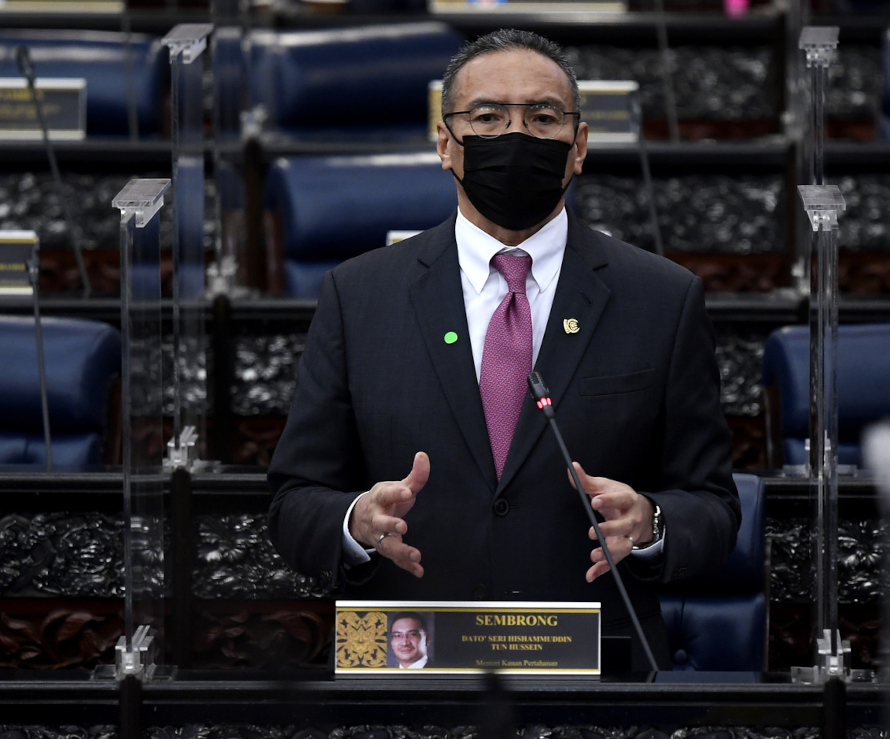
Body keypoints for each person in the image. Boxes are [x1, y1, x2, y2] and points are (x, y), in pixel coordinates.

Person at [267, 28, 741, 670]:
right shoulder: (358, 295)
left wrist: (653, 523)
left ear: (578, 148)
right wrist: (355, 522)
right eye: (487, 116)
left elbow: (713, 507)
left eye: (543, 117)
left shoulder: (662, 297)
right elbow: (294, 501)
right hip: (406, 667)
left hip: (594, 673)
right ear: (445, 144)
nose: (515, 137)